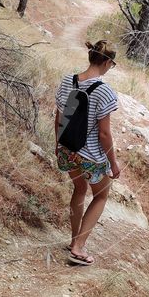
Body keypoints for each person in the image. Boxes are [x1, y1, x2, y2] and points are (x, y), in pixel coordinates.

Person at [54, 40, 120, 266]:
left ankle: (74, 240)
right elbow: (104, 134)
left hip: (67, 150)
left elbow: (59, 117)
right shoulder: (104, 92)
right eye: (112, 64)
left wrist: (58, 145)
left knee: (79, 189)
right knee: (101, 195)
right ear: (107, 62)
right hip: (91, 157)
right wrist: (113, 163)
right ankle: (78, 247)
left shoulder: (67, 81)